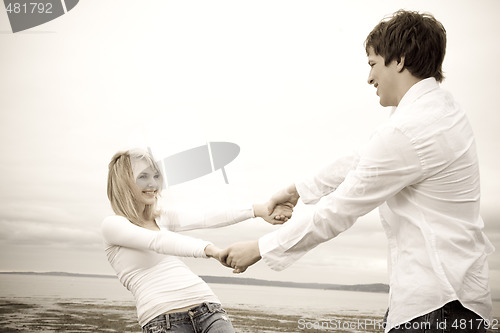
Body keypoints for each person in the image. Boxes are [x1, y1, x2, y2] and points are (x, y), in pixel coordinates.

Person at [221, 10, 494, 333]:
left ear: (400, 60)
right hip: (462, 302)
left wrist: (259, 248)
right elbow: (363, 157)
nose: (369, 78)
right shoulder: (444, 112)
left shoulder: (409, 131)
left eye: (372, 64)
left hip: (435, 309)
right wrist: (296, 190)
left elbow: (339, 211)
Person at [102, 148, 292, 333]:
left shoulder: (162, 218)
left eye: (155, 176)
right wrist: (212, 250)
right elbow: (158, 241)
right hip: (162, 319)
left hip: (209, 310)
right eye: (143, 176)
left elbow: (206, 216)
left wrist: (260, 210)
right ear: (123, 182)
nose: (153, 183)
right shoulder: (113, 226)